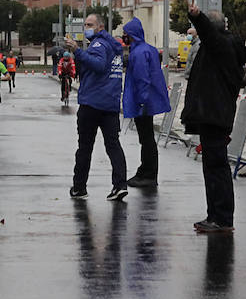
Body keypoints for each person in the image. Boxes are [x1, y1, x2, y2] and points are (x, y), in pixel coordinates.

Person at [182, 2, 246, 234]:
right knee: (212, 167)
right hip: (213, 115)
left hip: (215, 115)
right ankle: (215, 215)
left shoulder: (220, 46)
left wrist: (196, 16)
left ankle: (222, 218)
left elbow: (209, 35)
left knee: (217, 168)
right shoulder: (223, 46)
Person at [66, 13, 128, 201]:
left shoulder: (99, 45)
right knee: (113, 145)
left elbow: (99, 66)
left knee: (85, 147)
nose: (86, 27)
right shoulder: (114, 47)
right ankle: (120, 185)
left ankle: (79, 187)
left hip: (92, 103)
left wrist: (77, 50)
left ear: (100, 27)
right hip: (110, 104)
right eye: (85, 24)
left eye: (90, 24)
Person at [121, 17, 170, 189]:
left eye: (125, 34)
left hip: (143, 102)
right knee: (147, 138)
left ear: (132, 35)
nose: (123, 37)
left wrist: (141, 102)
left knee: (147, 139)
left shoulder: (139, 52)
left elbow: (142, 79)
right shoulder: (147, 49)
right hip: (147, 100)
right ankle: (145, 171)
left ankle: (148, 174)